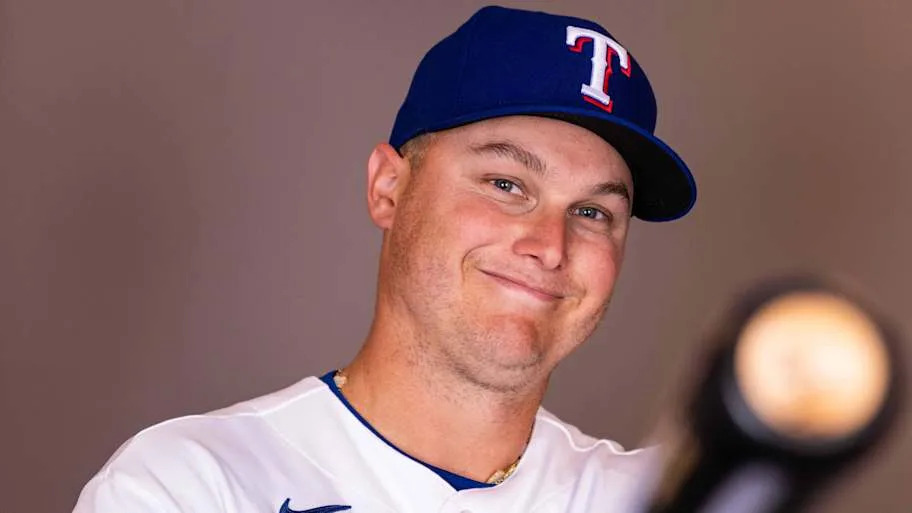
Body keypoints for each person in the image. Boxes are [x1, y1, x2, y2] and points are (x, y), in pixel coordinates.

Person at [73, 5, 696, 513]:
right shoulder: (190, 487)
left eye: (592, 213)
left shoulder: (662, 498)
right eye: (506, 185)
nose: (549, 245)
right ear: (388, 189)